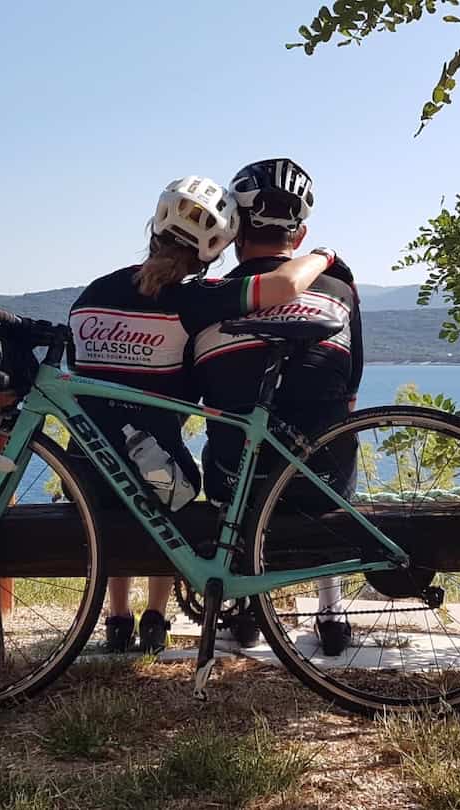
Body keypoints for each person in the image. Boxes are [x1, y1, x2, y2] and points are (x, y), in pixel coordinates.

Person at [66, 174, 339, 654]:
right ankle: (154, 616)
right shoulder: (195, 300)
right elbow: (281, 287)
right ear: (213, 251)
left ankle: (117, 617)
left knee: (118, 478)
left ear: (153, 227)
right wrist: (324, 256)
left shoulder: (91, 294)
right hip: (162, 480)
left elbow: (80, 372)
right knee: (165, 489)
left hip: (84, 476)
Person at [192, 158, 364, 657]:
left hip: (237, 485)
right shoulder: (339, 289)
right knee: (329, 432)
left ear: (235, 228)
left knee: (236, 449)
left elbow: (197, 390)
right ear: (301, 231)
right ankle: (331, 614)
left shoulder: (212, 297)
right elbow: (351, 382)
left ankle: (245, 610)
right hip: (326, 483)